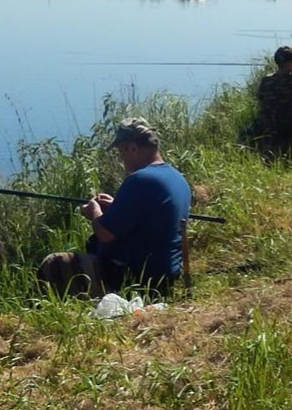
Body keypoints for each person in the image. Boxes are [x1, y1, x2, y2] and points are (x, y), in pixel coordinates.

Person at [38, 117, 191, 298]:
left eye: (121, 152)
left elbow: (105, 233)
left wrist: (94, 212)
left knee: (53, 264)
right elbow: (149, 215)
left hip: (138, 277)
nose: (121, 159)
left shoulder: (140, 180)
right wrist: (115, 206)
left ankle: (45, 308)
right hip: (166, 275)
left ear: (132, 148)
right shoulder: (177, 177)